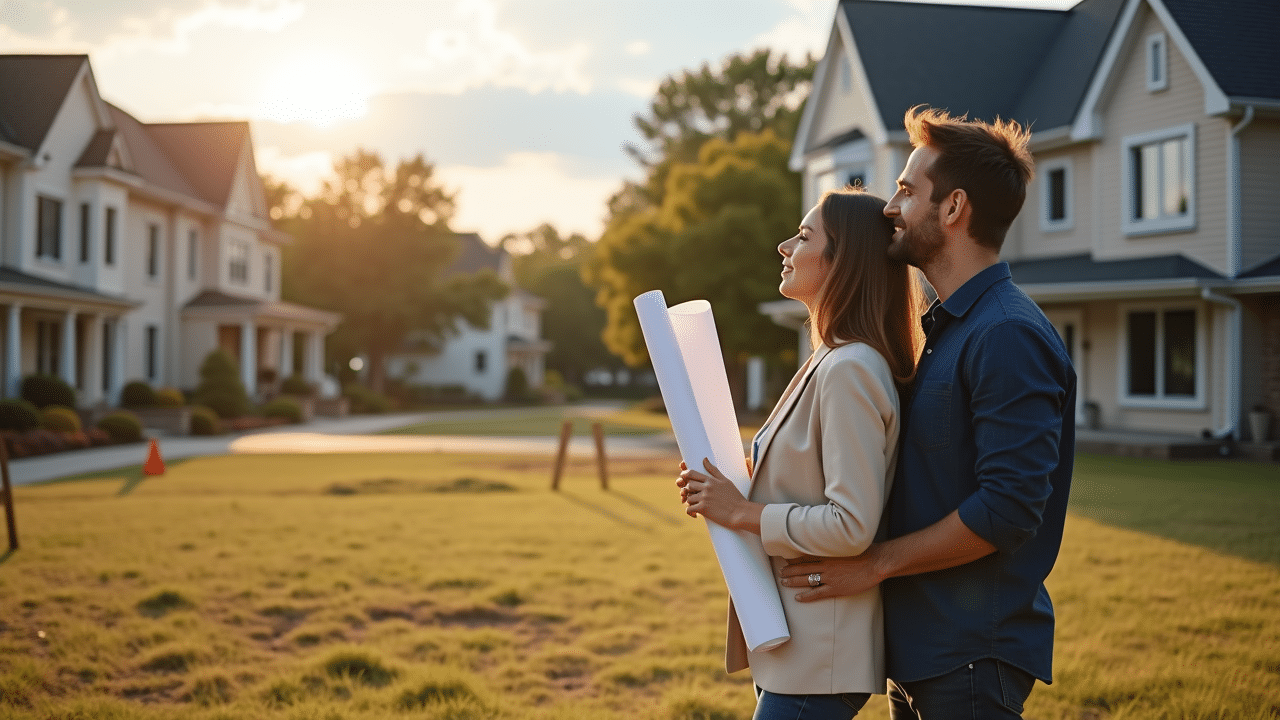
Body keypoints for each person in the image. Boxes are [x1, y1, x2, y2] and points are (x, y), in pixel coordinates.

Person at [778, 106, 1077, 718]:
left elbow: (1007, 508)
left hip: (970, 655)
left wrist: (874, 564)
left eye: (907, 191)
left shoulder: (1006, 335)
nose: (890, 206)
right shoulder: (945, 331)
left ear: (953, 209)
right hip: (921, 650)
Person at [677, 187, 924, 720]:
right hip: (796, 642)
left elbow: (851, 523)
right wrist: (729, 486)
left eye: (805, 236)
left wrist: (742, 512)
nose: (785, 246)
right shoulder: (828, 359)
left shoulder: (850, 368)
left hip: (822, 651)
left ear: (844, 263)